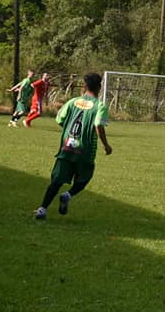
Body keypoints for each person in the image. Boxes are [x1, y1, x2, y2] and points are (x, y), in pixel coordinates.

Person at [33, 72, 112, 220]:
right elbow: (98, 125)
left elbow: (59, 119)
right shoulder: (100, 106)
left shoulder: (73, 101)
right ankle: (68, 195)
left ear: (84, 86)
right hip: (85, 151)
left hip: (67, 147)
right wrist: (106, 145)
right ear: (99, 87)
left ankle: (42, 209)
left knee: (56, 181)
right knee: (83, 179)